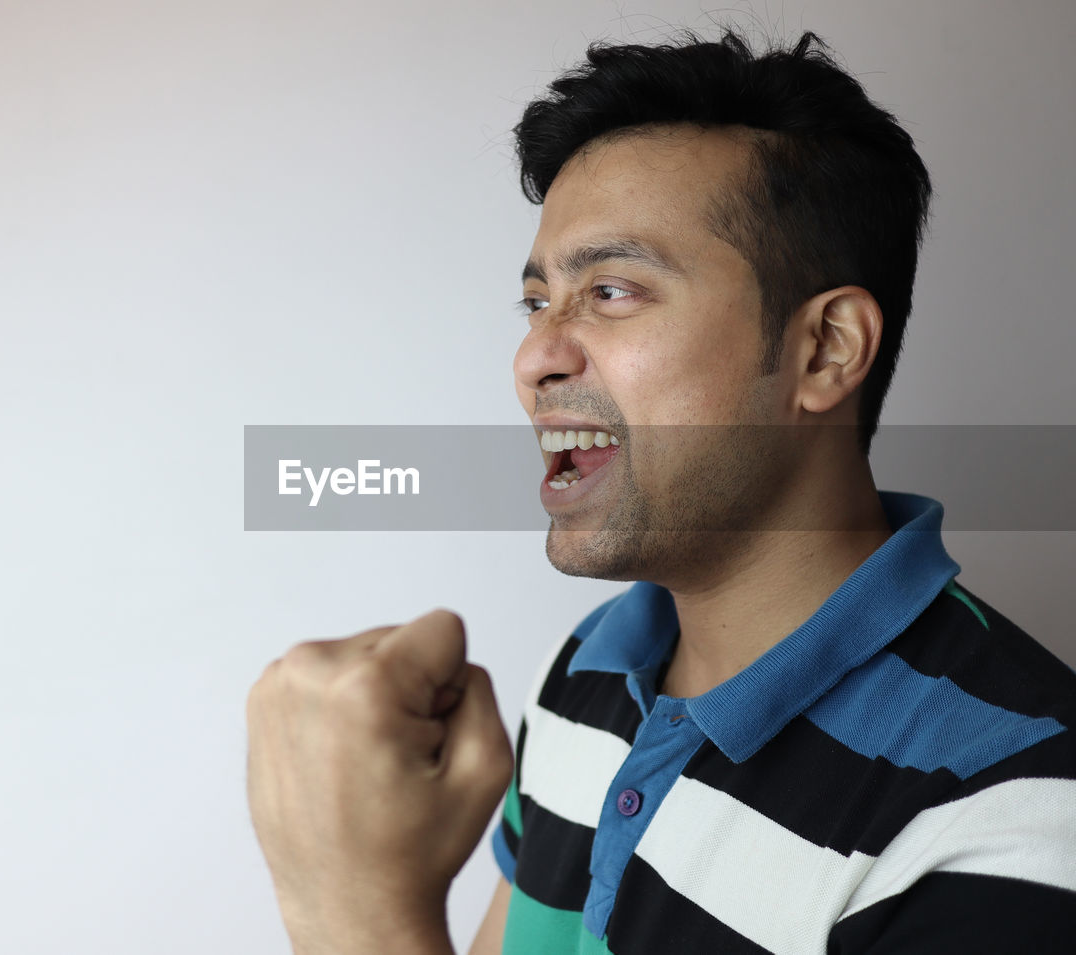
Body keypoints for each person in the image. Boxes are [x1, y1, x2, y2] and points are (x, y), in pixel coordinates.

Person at [245, 29, 1076, 953]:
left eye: (611, 291)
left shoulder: (1021, 813)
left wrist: (351, 904)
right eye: (537, 302)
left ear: (826, 349)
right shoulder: (589, 667)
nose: (535, 358)